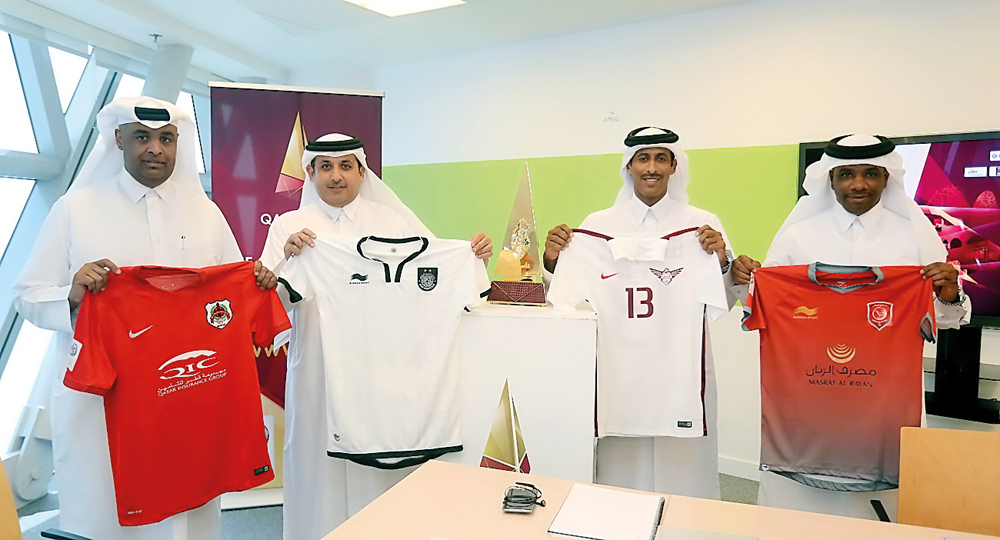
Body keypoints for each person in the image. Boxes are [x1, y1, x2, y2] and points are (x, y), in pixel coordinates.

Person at [12, 96, 276, 540]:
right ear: (118, 140)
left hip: (189, 392)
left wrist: (260, 280)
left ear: (178, 144)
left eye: (166, 139)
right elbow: (26, 296)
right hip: (106, 399)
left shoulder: (205, 213)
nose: (155, 148)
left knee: (189, 513)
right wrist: (72, 296)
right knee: (108, 512)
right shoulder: (75, 210)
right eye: (142, 138)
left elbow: (232, 291)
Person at [259, 133, 492, 540]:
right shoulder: (290, 227)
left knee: (385, 477)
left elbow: (432, 279)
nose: (336, 176)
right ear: (310, 172)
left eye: (346, 166)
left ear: (362, 172)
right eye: (326, 167)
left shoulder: (392, 220)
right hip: (319, 372)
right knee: (320, 469)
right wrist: (286, 259)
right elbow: (272, 300)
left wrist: (471, 254)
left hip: (385, 371)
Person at [732, 134, 969, 519]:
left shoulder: (915, 233)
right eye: (846, 174)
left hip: (885, 404)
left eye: (871, 174)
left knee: (883, 515)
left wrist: (947, 293)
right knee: (797, 519)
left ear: (887, 178)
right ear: (830, 179)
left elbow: (944, 318)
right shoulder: (797, 235)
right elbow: (764, 306)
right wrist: (746, 280)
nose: (858, 183)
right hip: (809, 401)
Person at [543, 126, 737, 499]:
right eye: (643, 159)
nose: (652, 167)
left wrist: (723, 259)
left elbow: (723, 302)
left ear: (674, 166)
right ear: (628, 167)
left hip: (682, 372)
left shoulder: (702, 224)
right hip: (620, 371)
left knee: (686, 477)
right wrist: (553, 260)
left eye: (661, 158)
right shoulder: (597, 226)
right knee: (621, 477)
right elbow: (567, 304)